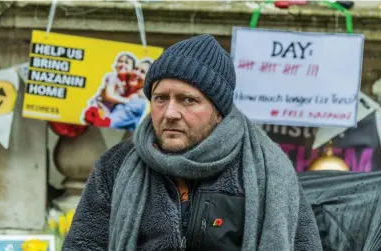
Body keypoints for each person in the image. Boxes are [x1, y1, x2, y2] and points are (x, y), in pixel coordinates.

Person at [63, 34, 323, 251]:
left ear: (218, 111)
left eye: (188, 100)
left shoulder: (267, 169)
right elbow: (84, 244)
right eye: (161, 98)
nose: (170, 113)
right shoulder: (116, 165)